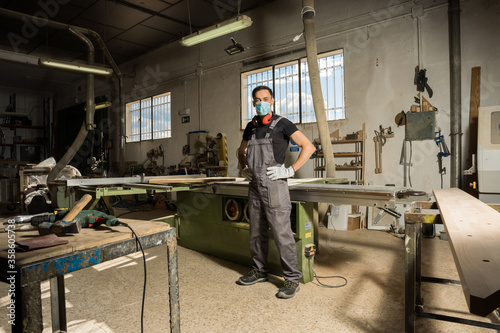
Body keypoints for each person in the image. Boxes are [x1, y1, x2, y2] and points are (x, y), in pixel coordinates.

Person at [237, 85, 316, 299]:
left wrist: (290, 169)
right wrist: (243, 166)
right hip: (254, 185)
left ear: (272, 101)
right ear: (253, 102)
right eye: (257, 99)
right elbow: (240, 150)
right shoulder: (251, 127)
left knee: (282, 233)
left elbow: (308, 146)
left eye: (265, 98)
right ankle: (260, 271)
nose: (261, 102)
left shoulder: (283, 124)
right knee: (256, 230)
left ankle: (291, 279)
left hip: (274, 183)